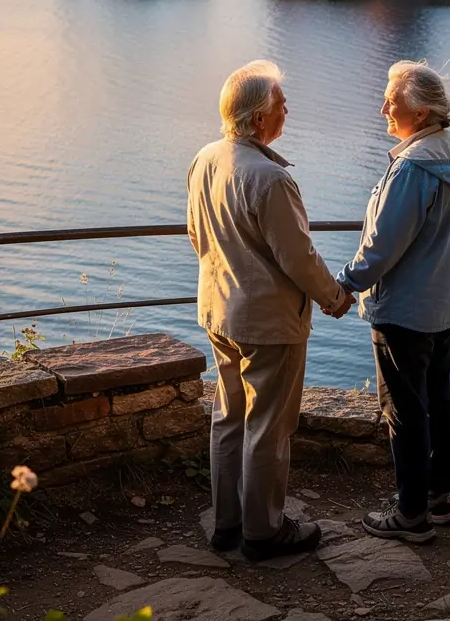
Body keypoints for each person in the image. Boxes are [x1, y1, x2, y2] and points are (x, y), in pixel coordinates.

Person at [187, 60, 355, 562]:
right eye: (281, 103)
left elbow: (196, 233)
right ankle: (263, 532)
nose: (288, 110)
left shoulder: (205, 158)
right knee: (268, 426)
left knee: (228, 418)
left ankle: (226, 525)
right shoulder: (269, 179)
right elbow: (298, 257)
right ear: (259, 119)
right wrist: (334, 296)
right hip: (268, 322)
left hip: (219, 311)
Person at [334, 60, 450, 543]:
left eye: (391, 103)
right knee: (440, 399)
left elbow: (381, 245)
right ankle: (438, 499)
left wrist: (345, 284)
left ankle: (410, 514)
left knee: (405, 409)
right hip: (448, 301)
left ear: (418, 114)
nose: (382, 110)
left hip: (407, 308)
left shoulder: (413, 169)